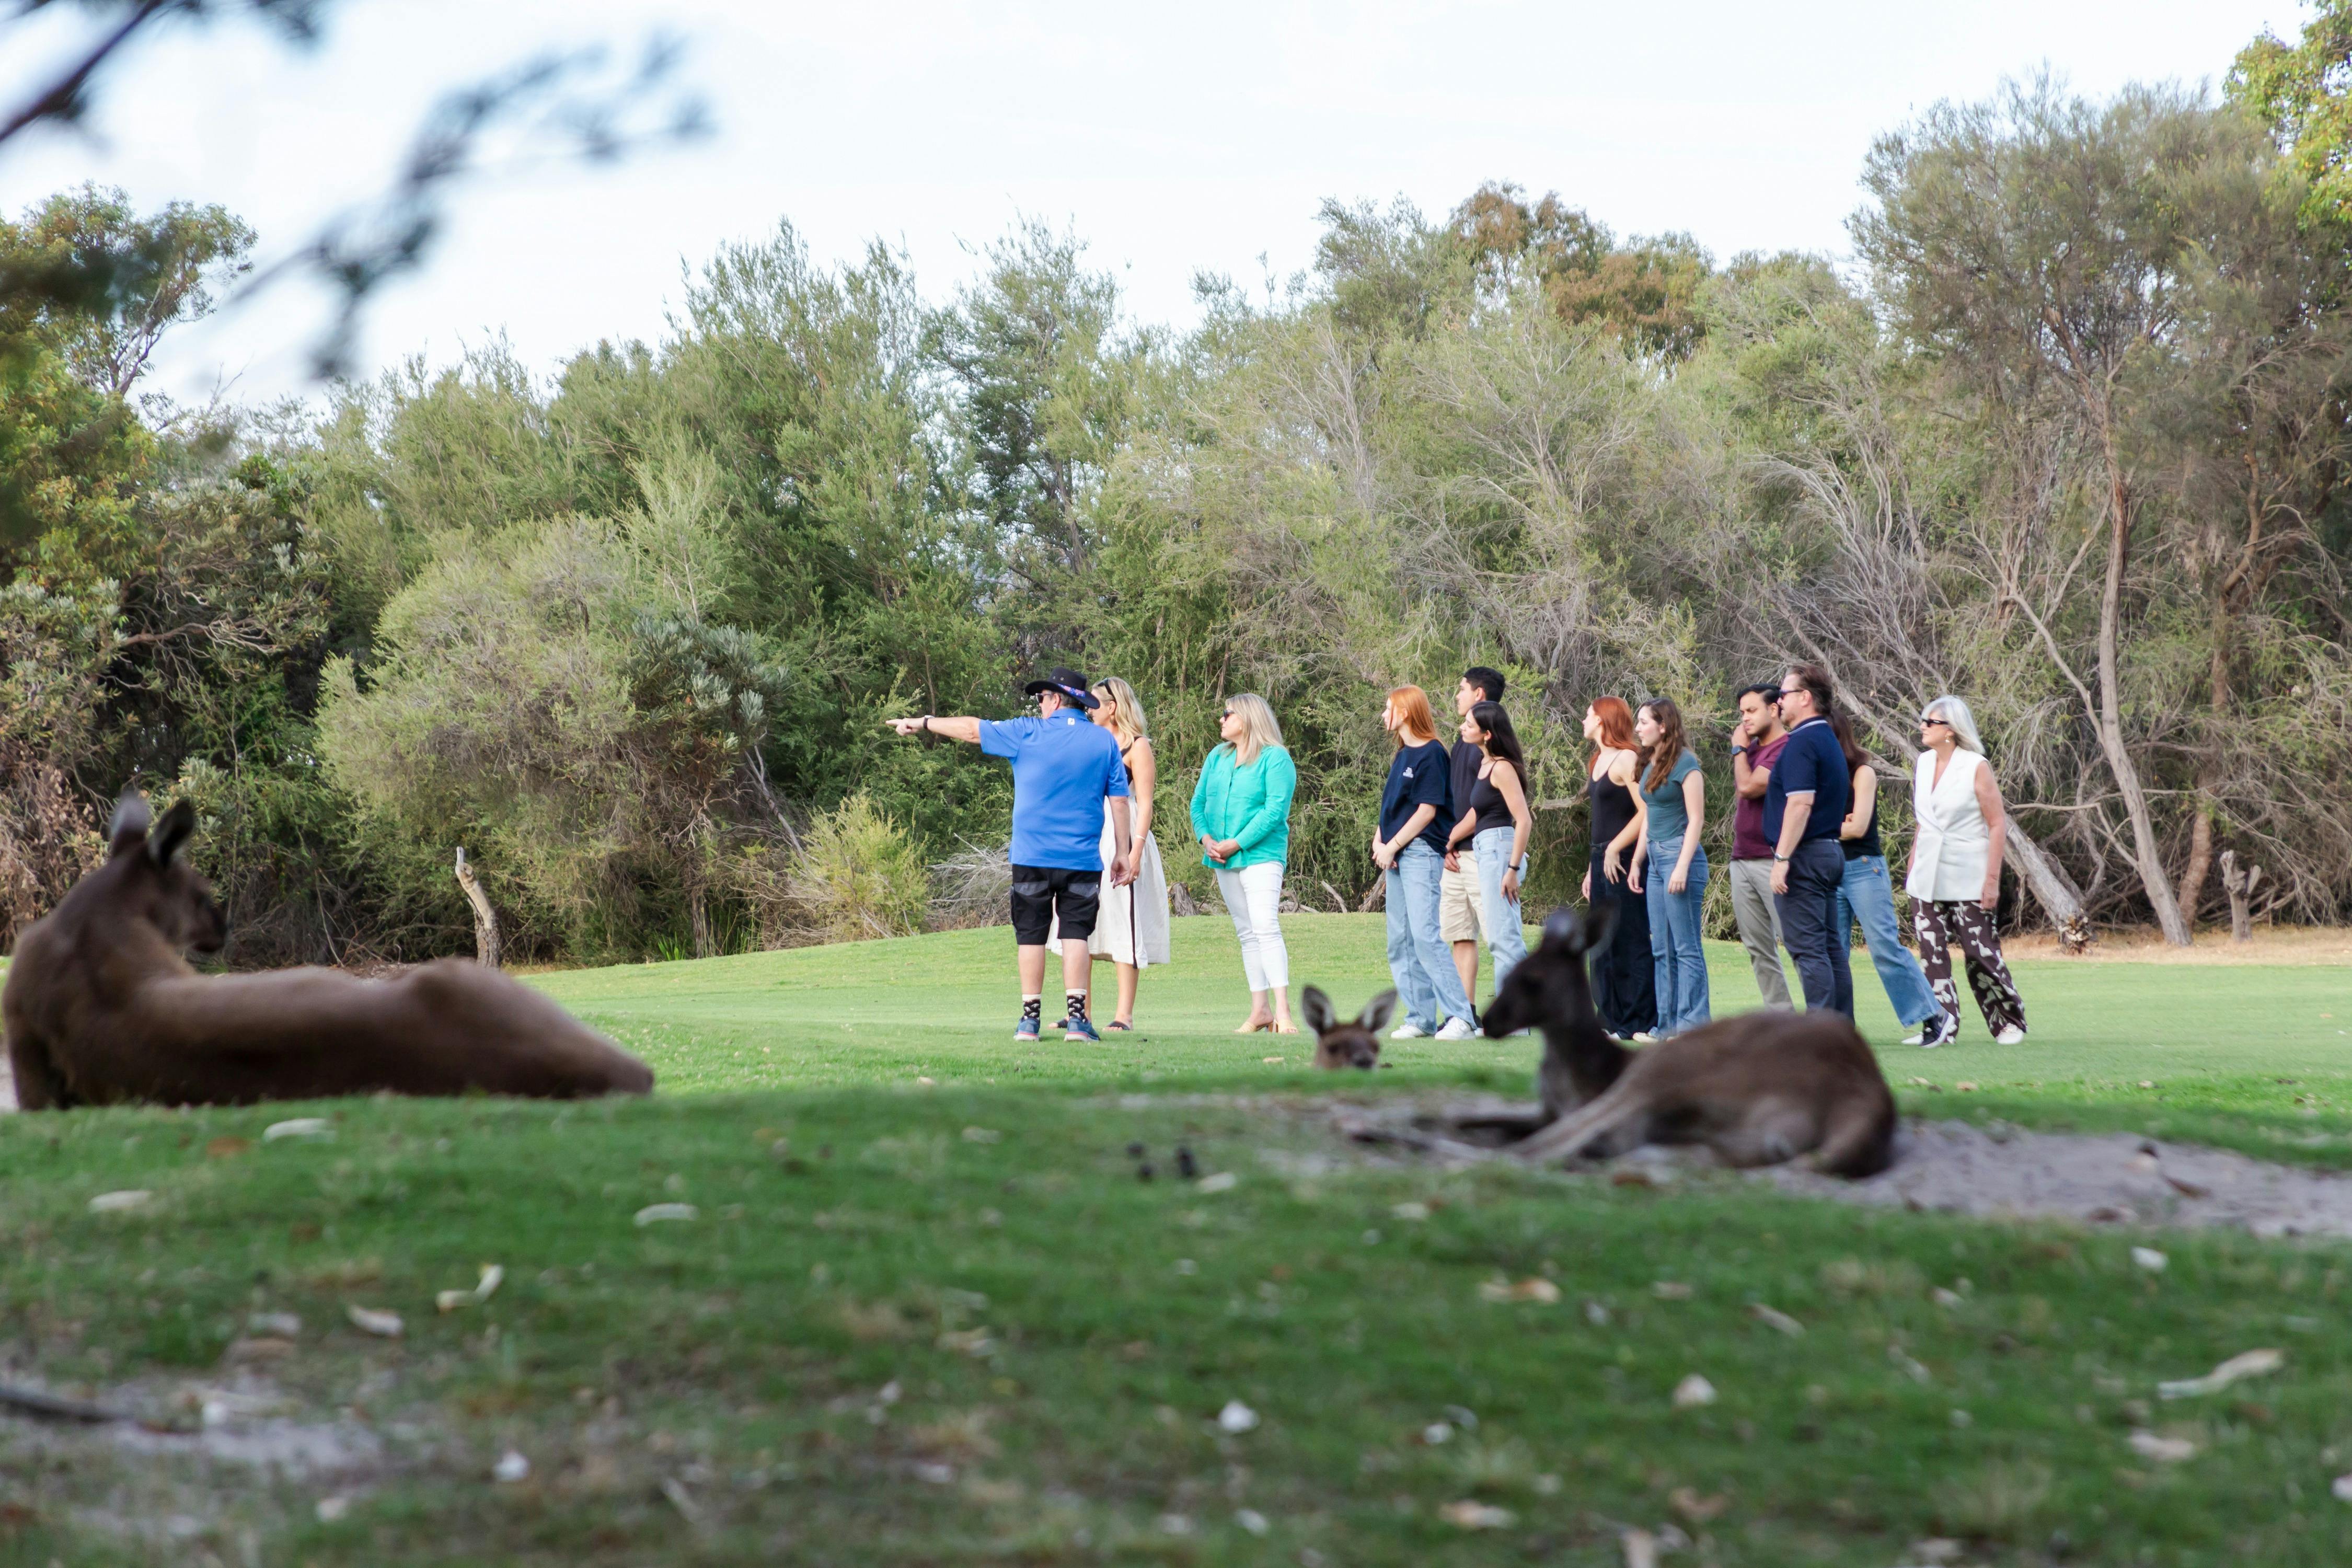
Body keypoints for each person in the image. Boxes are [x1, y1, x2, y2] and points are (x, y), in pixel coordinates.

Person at [886, 668, 1132, 1043]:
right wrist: (1122, 853)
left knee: (1031, 935)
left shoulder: (1026, 732)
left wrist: (923, 722)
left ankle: (1029, 1022)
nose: (1039, 706)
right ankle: (1078, 1022)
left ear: (1055, 699)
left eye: (1042, 699)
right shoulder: (1104, 742)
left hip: (1031, 855)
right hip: (1081, 858)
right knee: (1076, 934)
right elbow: (1119, 801)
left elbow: (971, 729)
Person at [1048, 676, 1170, 1031]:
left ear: (1113, 707)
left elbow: (1145, 804)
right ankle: (1080, 1011)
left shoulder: (1137, 746)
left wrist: (1134, 851)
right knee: (1078, 919)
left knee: (1123, 920)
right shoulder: (1092, 741)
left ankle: (1124, 1015)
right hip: (1089, 831)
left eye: (1095, 704)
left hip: (1124, 833)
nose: (1089, 710)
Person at [1906, 695, 2028, 1044]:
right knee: (1931, 954)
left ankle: (2008, 1022)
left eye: (1930, 722)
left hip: (1968, 872)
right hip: (1926, 872)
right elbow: (1924, 820)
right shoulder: (1923, 763)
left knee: (1979, 952)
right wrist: (1913, 862)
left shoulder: (1976, 765)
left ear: (1951, 730)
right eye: (1923, 720)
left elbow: (1997, 824)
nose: (1922, 727)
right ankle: (1940, 1027)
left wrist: (1992, 880)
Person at [1827, 707, 1949, 1047]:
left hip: (1864, 868)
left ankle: (1933, 1016)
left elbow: (1857, 827)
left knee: (1883, 949)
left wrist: (1822, 826)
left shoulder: (1862, 772)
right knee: (1832, 952)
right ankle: (1836, 1028)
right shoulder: (1820, 778)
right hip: (1830, 870)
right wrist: (1836, 826)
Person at [1189, 693, 1299, 1034]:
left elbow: (1275, 810)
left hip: (1261, 856)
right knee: (1247, 933)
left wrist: (1236, 843)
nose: (1221, 719)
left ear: (1248, 718)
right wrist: (1206, 839)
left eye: (1228, 714)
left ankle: (1284, 1013)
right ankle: (1260, 1011)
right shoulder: (1217, 757)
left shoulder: (1275, 758)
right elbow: (1198, 803)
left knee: (1265, 926)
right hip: (1222, 856)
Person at [1375, 685, 1478, 1041]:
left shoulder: (1433, 753)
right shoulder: (1402, 755)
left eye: (1388, 708)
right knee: (1400, 940)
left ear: (1405, 712)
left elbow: (1426, 811)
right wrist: (1380, 841)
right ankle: (1420, 1018)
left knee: (1424, 935)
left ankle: (1461, 1017)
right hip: (1397, 854)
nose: (1384, 715)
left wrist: (1393, 845)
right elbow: (1391, 807)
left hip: (1420, 851)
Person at [1765, 664, 1853, 1018]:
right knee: (1830, 949)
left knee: (1809, 950)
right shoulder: (1827, 738)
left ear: (1805, 698)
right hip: (1828, 852)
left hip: (1804, 856)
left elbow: (1801, 804)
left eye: (1783, 694)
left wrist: (1782, 858)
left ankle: (1820, 1035)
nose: (1779, 701)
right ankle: (1840, 1032)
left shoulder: (1803, 741)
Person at [1579, 697, 1657, 1040]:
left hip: (1624, 860)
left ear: (1602, 719)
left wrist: (1615, 847)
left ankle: (1638, 1020)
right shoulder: (1598, 760)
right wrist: (1591, 867)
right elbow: (1600, 820)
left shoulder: (1628, 758)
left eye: (1589, 715)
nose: (1584, 720)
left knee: (1630, 937)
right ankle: (1608, 1020)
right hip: (1601, 860)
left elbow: (1646, 811)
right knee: (1602, 943)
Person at [1632, 697, 1710, 1036]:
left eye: (1644, 722)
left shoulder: (1686, 763)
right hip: (1655, 860)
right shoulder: (1651, 762)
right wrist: (1637, 860)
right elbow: (1650, 815)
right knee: (1661, 949)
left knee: (1686, 948)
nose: (1638, 729)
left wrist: (1681, 867)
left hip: (1680, 856)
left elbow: (1697, 819)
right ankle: (1666, 1029)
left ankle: (1692, 1030)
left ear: (1663, 726)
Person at [1445, 699, 1533, 994]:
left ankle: (1519, 1013)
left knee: (1504, 938)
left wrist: (1513, 869)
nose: (1462, 728)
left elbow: (1524, 820)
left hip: (1499, 848)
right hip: (1485, 848)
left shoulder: (1502, 768)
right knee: (1498, 937)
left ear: (1487, 734)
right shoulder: (1485, 764)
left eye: (1469, 725)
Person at [1439, 668, 1507, 1016]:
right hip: (1456, 855)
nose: (1457, 695)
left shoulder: (1489, 742)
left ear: (1479, 694)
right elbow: (1457, 799)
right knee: (1461, 935)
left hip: (1482, 852)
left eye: (1462, 688)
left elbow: (1484, 805)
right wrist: (1448, 844)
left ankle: (1515, 1016)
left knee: (1500, 937)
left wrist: (1450, 839)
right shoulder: (1463, 740)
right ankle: (1463, 1013)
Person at [1727, 682, 1794, 1009]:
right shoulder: (1752, 750)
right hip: (1741, 859)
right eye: (1742, 713)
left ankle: (1823, 1022)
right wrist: (1745, 751)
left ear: (1774, 709)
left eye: (1752, 711)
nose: (1745, 719)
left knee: (1797, 944)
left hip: (1773, 860)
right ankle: (1782, 1020)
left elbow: (1749, 787)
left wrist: (1738, 750)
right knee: (1758, 949)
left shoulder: (1787, 748)